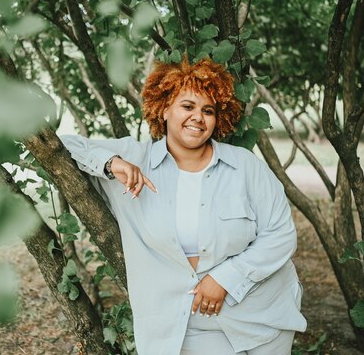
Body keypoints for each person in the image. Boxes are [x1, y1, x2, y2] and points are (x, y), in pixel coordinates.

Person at [60, 57, 306, 355]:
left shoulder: (245, 167)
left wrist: (225, 278)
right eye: (187, 107)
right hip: (185, 325)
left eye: (208, 110)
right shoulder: (136, 159)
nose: (198, 118)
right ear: (164, 109)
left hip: (261, 315)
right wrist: (111, 164)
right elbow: (59, 146)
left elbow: (280, 234)